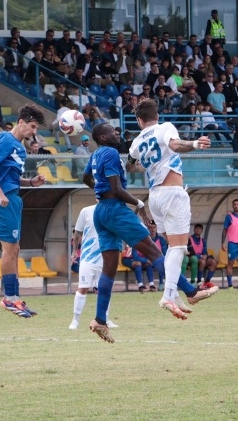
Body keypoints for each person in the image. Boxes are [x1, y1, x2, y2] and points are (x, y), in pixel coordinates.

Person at [83, 123, 215, 342]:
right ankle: (190, 292)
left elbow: (86, 178)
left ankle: (100, 320)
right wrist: (139, 204)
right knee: (155, 253)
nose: (116, 133)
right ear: (102, 136)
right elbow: (116, 189)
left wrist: (99, 189)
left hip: (101, 212)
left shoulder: (96, 154)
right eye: (111, 131)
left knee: (108, 270)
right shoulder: (111, 153)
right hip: (116, 210)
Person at [126, 99, 218, 316]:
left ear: (139, 121)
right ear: (156, 115)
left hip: (155, 196)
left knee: (170, 248)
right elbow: (175, 145)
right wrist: (195, 144)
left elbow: (130, 166)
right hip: (172, 193)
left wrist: (147, 164)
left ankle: (176, 294)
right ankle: (168, 296)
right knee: (178, 249)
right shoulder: (165, 128)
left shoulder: (136, 142)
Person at [0, 104, 46, 318]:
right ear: (21, 122)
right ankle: (9, 299)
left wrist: (30, 182)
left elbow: (9, 177)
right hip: (4, 201)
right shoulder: (6, 139)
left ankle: (15, 298)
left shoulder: (18, 146)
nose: (34, 132)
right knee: (9, 250)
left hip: (13, 197)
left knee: (15, 249)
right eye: (33, 127)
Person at [69, 205, 118, 330]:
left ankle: (105, 319)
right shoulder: (86, 211)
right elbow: (78, 233)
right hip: (88, 257)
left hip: (105, 256)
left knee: (104, 289)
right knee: (83, 288)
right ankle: (75, 320)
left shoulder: (112, 210)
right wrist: (75, 251)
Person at [222, 199, 238, 288]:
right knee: (231, 263)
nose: (236, 206)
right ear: (233, 206)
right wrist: (223, 242)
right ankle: (230, 284)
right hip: (233, 243)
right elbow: (225, 230)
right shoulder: (229, 217)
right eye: (235, 204)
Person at [182, 224, 218, 288]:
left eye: (200, 229)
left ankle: (207, 282)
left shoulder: (203, 240)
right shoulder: (190, 239)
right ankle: (199, 281)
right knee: (202, 261)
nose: (198, 230)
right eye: (196, 228)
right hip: (193, 259)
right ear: (194, 229)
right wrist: (201, 256)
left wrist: (205, 256)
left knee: (214, 262)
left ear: (202, 230)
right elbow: (190, 252)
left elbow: (205, 252)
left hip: (202, 258)